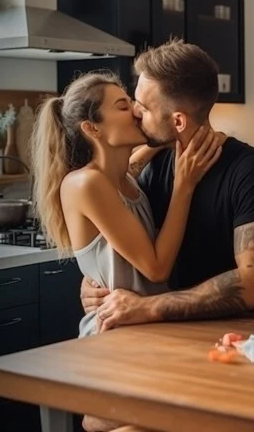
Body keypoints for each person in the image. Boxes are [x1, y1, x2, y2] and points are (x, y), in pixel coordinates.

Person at [81, 37, 254, 336]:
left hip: (234, 340)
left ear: (178, 121)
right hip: (159, 338)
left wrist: (148, 307)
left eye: (144, 107)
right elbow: (125, 246)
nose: (135, 113)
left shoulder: (251, 170)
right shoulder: (152, 165)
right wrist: (94, 283)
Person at [29, 69, 224, 339]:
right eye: (123, 106)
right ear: (91, 127)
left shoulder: (124, 180)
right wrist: (184, 185)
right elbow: (156, 269)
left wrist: (171, 128)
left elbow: (134, 163)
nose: (135, 110)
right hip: (113, 335)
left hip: (150, 329)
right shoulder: (84, 184)